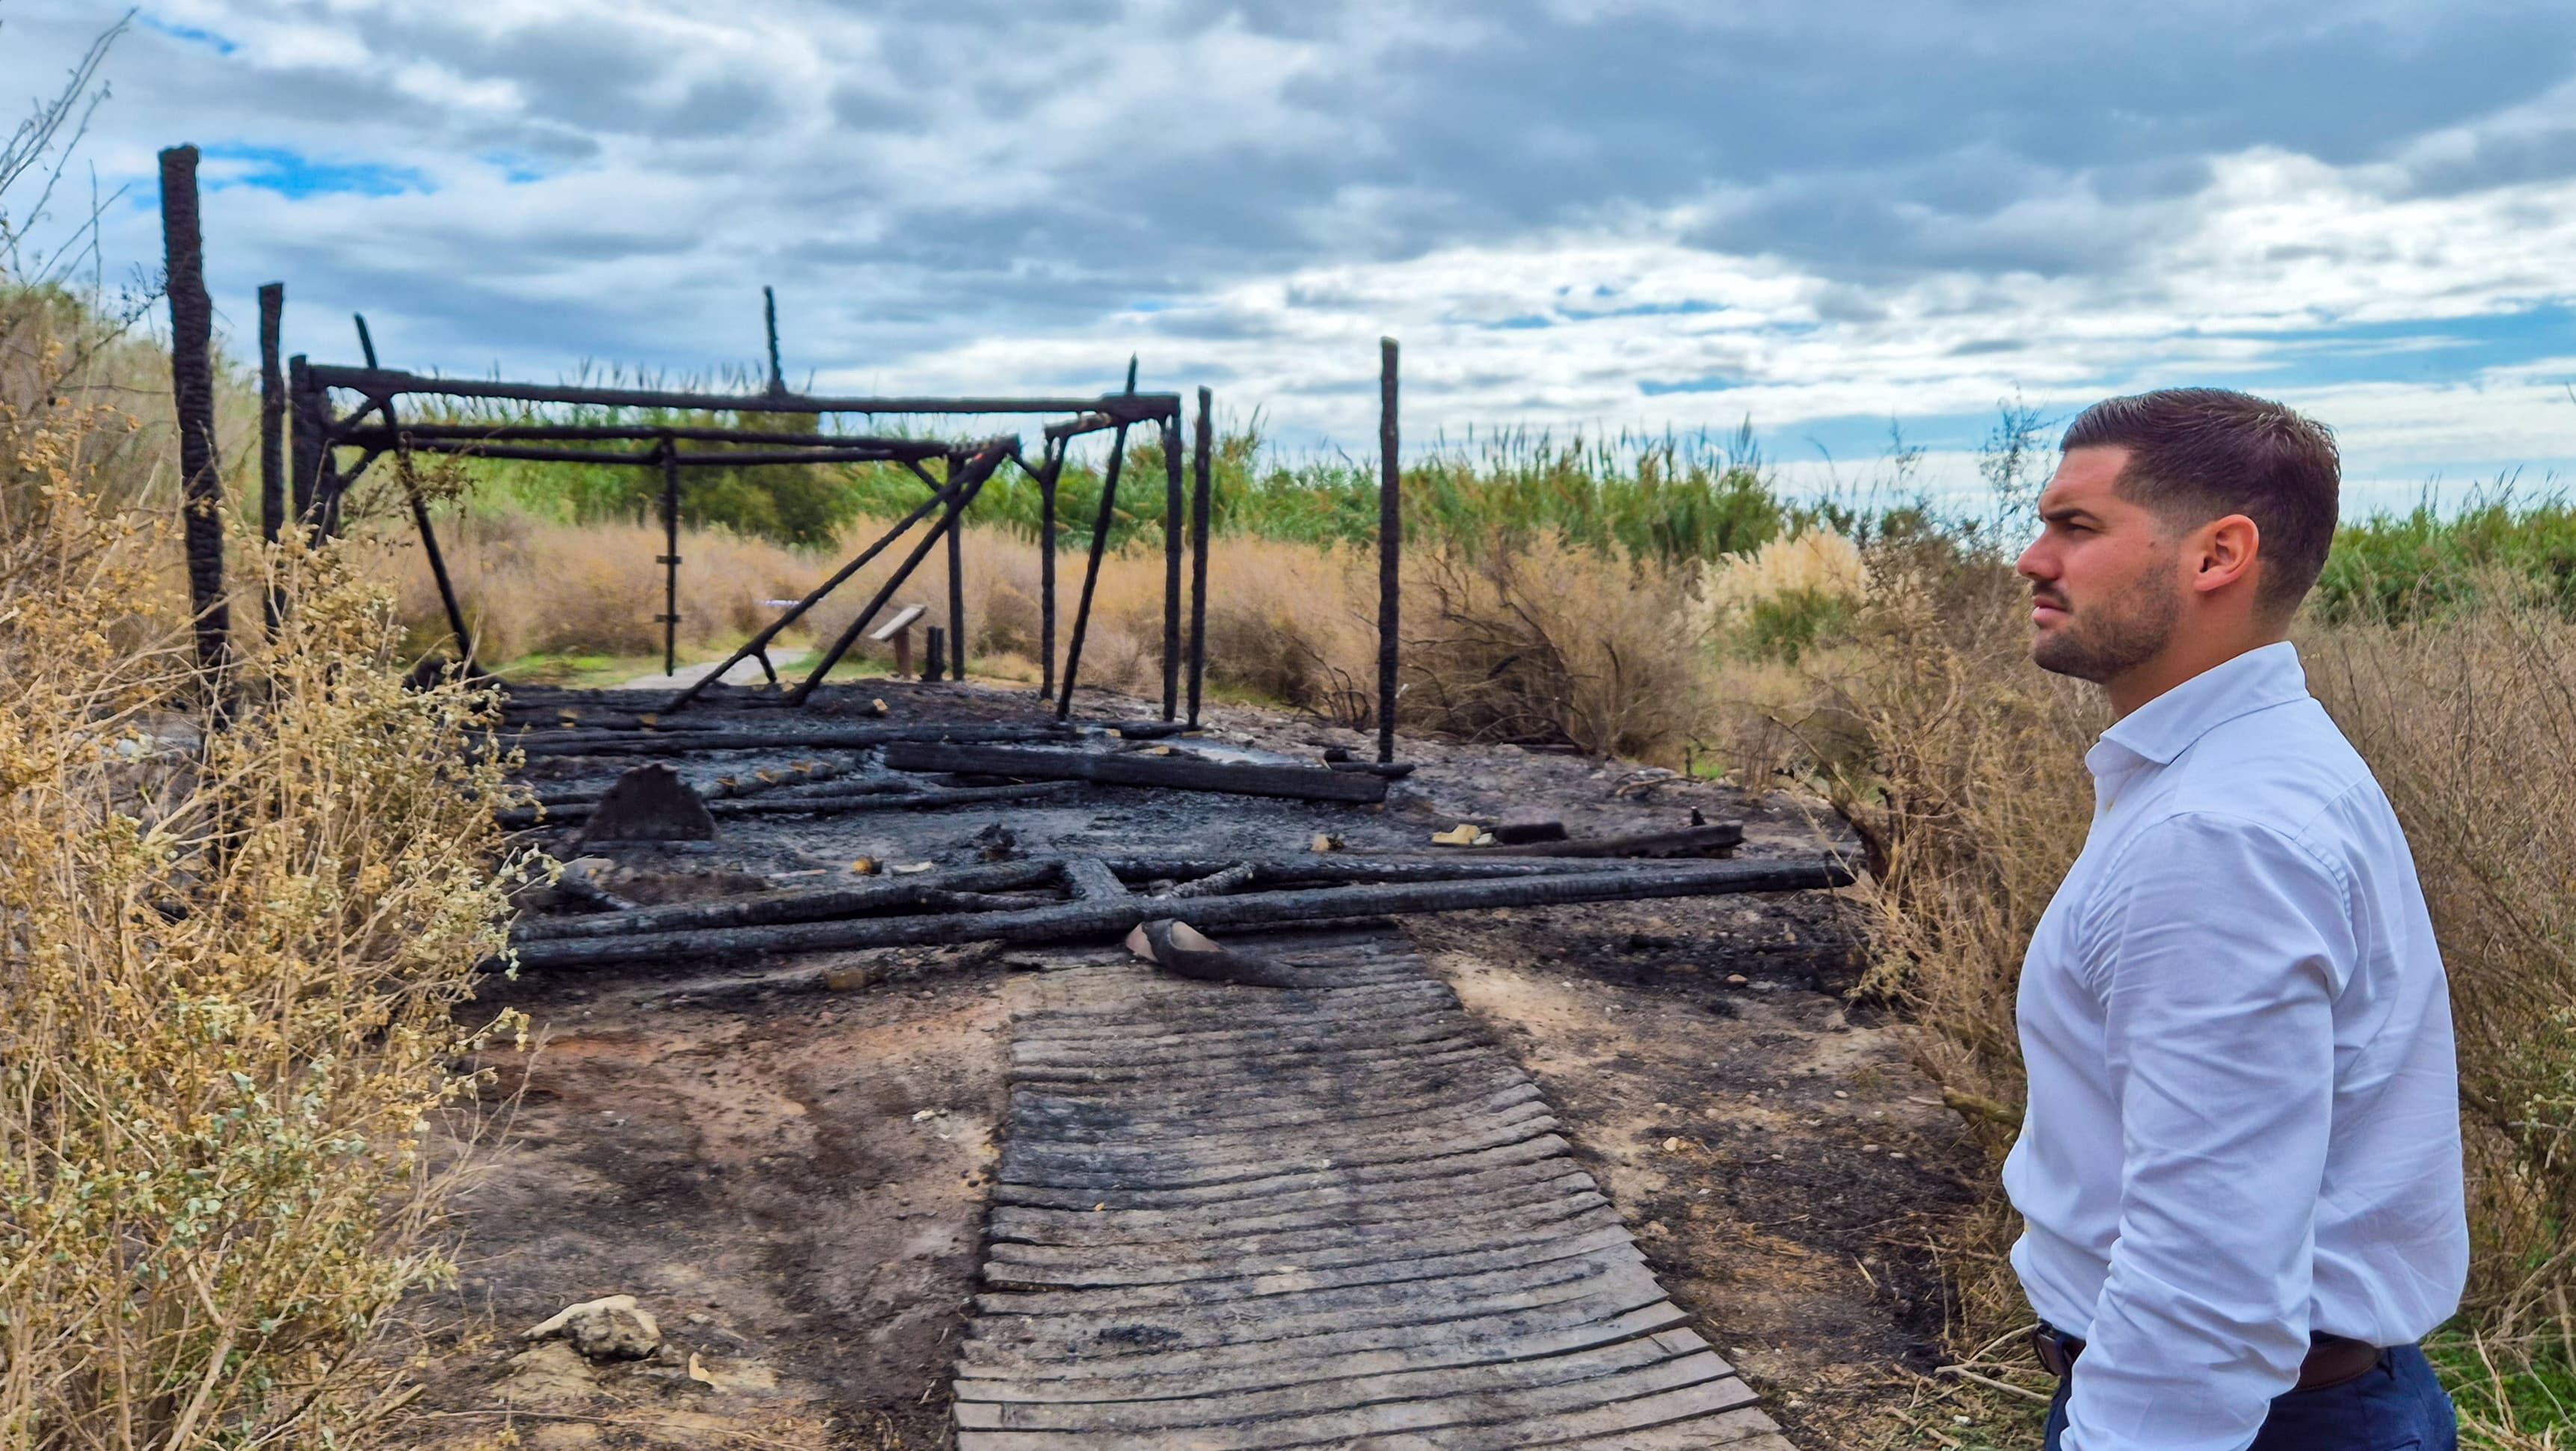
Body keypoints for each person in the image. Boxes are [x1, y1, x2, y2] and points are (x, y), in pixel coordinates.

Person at [2006, 388, 2467, 1451]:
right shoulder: (2247, 773)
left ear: (2217, 555)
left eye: (2074, 527)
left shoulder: (2217, 830)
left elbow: (2205, 1266)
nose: (2032, 560)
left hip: (2252, 1423)